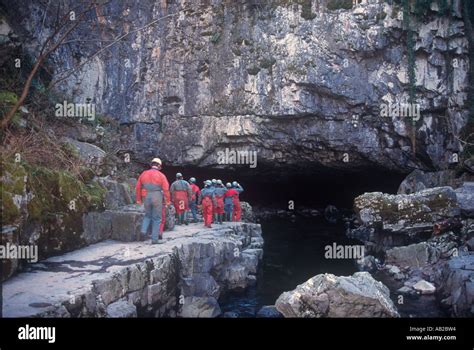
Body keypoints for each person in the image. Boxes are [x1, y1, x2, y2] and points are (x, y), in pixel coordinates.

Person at [135, 158, 170, 244]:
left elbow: (138, 187)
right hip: (157, 195)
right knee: (157, 218)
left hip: (146, 196)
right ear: (158, 165)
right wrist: (168, 201)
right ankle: (155, 239)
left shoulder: (143, 174)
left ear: (152, 164)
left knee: (147, 216)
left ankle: (143, 230)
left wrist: (138, 199)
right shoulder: (161, 175)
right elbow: (166, 189)